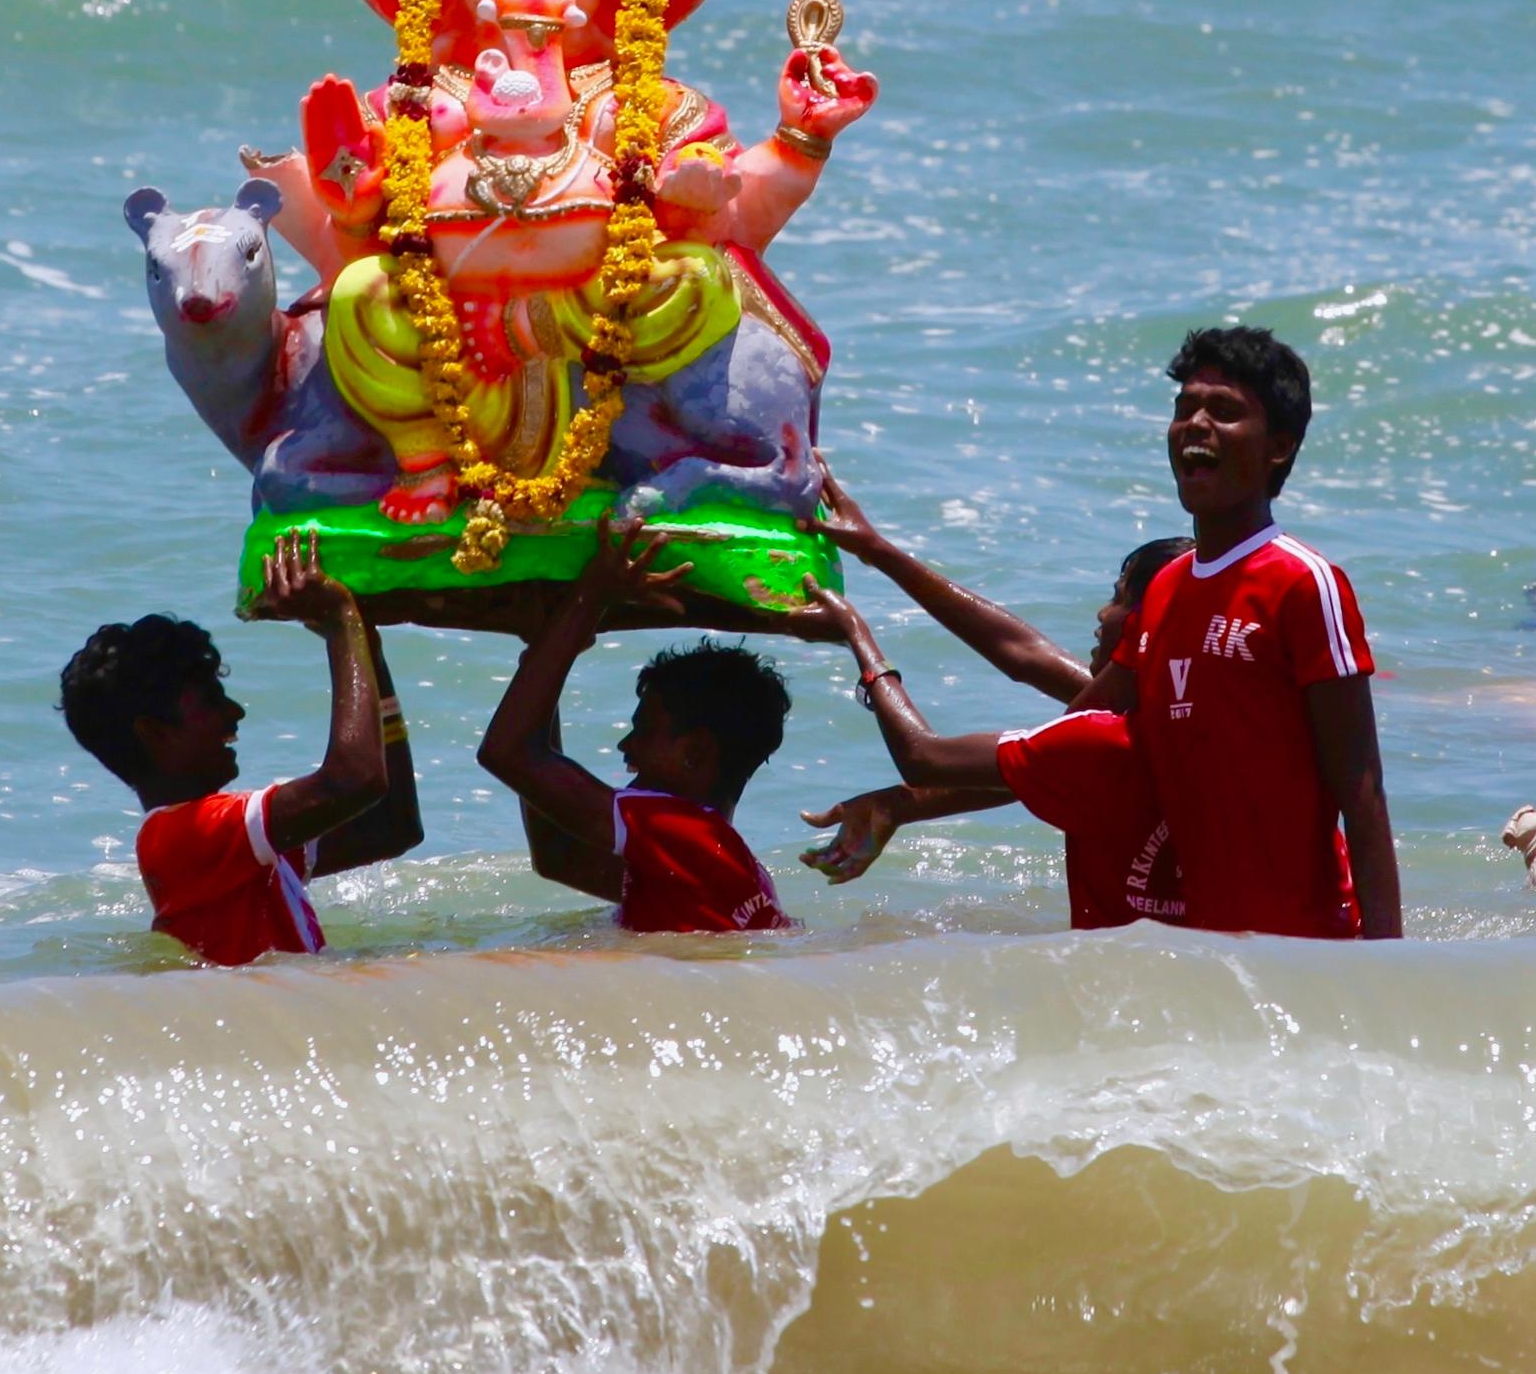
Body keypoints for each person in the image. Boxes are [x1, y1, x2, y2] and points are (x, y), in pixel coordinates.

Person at [1063, 326, 1401, 940]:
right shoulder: (1165, 588)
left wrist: (1385, 967)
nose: (1195, 424)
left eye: (1223, 411)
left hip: (1311, 948)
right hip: (1206, 956)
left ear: (1278, 447)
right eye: (1184, 408)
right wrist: (908, 801)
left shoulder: (1305, 583)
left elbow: (1363, 789)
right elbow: (1070, 740)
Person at [791, 493, 1193, 926]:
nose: (1103, 612)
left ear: (1143, 626)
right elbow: (1025, 655)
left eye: (1119, 599)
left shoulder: (1102, 740)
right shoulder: (1193, 717)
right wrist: (876, 550)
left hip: (1117, 977)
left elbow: (923, 758)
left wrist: (856, 634)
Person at [59, 528, 422, 966]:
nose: (235, 712)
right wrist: (340, 623)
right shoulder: (183, 837)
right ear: (155, 732)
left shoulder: (229, 849)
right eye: (211, 700)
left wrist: (368, 648)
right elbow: (354, 779)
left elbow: (393, 826)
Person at [476, 521, 793, 933]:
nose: (627, 745)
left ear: (694, 751)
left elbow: (509, 753)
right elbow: (561, 856)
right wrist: (542, 647)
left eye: (644, 729)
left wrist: (591, 596)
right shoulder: (707, 855)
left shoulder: (682, 833)